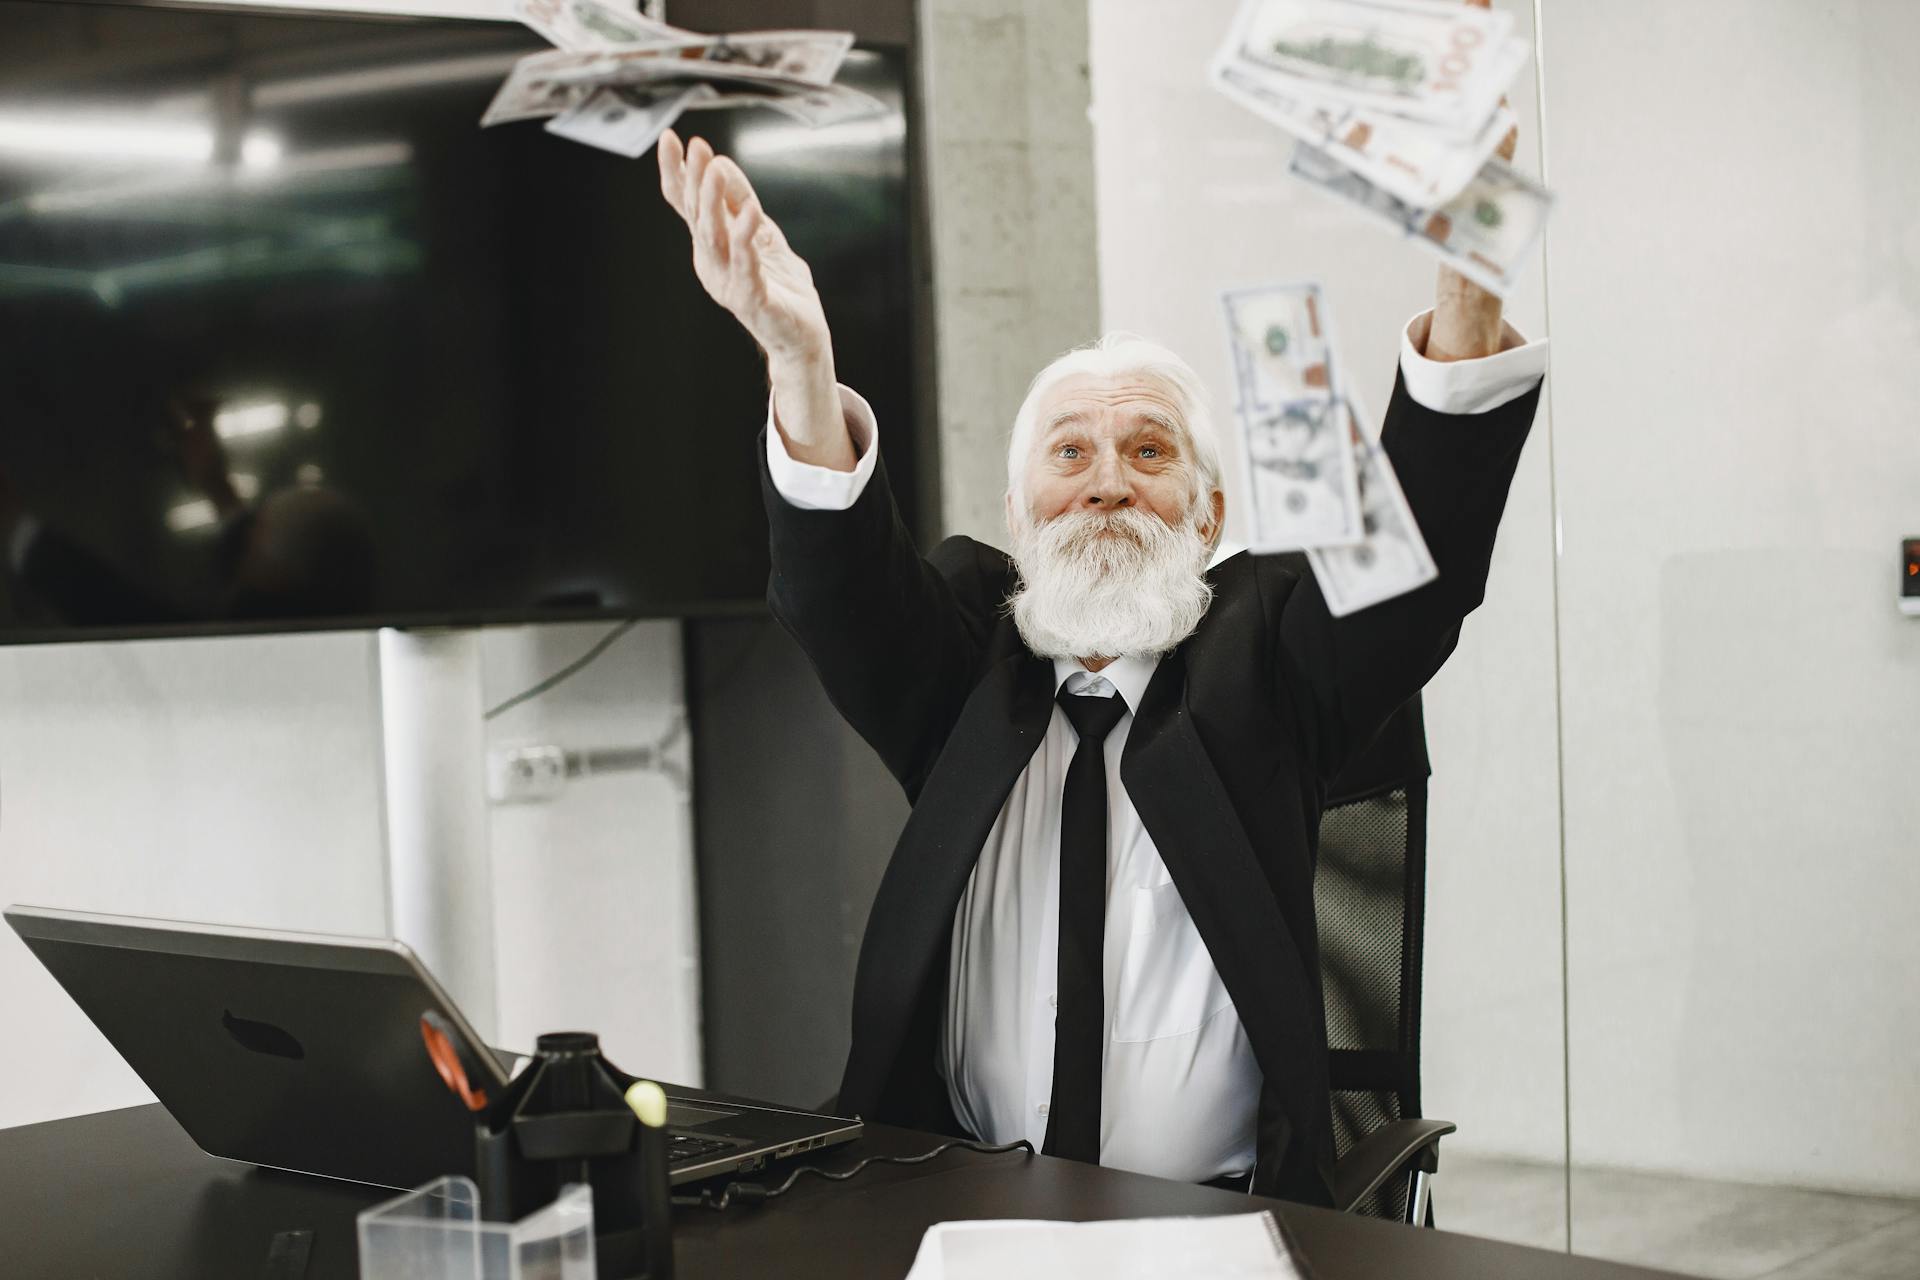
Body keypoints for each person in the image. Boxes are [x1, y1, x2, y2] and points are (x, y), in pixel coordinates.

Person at [656, 76, 1546, 1204]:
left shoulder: (1268, 660)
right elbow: (839, 592)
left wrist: (1473, 262)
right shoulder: (964, 662)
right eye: (1069, 454)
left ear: (1209, 518)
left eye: (1149, 451)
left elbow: (1417, 564)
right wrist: (798, 361)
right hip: (954, 1205)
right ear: (1024, 515)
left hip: (1225, 1221)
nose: (1108, 484)